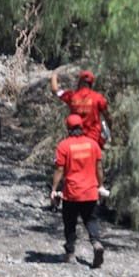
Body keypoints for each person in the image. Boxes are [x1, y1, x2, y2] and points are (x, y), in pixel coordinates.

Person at [50, 114, 108, 268]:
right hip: (90, 192)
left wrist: (54, 189)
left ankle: (70, 253)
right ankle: (96, 243)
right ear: (81, 127)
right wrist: (100, 185)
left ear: (68, 128)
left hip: (72, 193)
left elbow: (59, 170)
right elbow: (99, 168)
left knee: (70, 223)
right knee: (91, 220)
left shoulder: (64, 146)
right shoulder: (93, 144)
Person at [50, 68, 113, 148]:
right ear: (91, 84)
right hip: (94, 139)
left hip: (76, 139)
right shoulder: (98, 98)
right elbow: (108, 117)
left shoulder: (72, 96)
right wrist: (110, 130)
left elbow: (55, 90)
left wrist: (53, 75)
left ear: (80, 82)